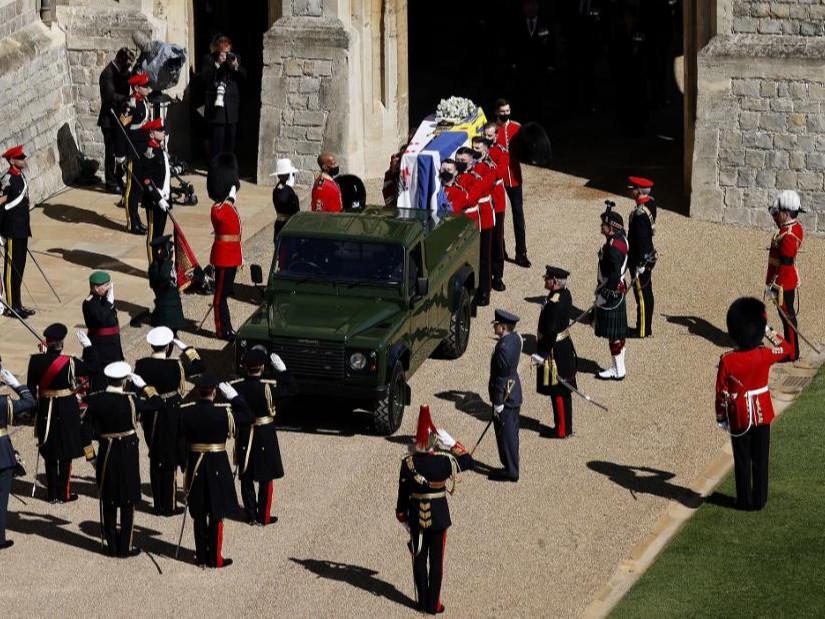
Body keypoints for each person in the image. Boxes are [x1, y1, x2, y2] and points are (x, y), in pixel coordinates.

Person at [715, 297, 794, 510]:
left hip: (739, 414)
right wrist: (766, 328)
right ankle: (759, 499)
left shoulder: (727, 360)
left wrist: (721, 418)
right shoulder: (764, 355)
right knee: (760, 459)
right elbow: (786, 347)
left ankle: (743, 499)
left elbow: (720, 393)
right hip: (762, 412)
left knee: (741, 460)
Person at [395, 404, 474, 614]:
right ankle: (433, 605)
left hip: (415, 519)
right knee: (436, 563)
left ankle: (421, 602)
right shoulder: (444, 462)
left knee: (419, 561)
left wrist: (403, 518)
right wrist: (452, 443)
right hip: (438, 518)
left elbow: (402, 496)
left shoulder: (408, 463)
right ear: (434, 442)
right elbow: (468, 461)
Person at [82, 362, 164, 557]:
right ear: (126, 380)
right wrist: (145, 386)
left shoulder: (96, 400)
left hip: (107, 451)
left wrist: (91, 456)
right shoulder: (132, 400)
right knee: (127, 500)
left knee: (108, 499)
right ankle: (125, 547)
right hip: (127, 453)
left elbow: (84, 431)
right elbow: (158, 404)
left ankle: (111, 546)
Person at [179, 374, 253, 568]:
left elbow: (179, 439)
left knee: (199, 513)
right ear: (214, 392)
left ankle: (201, 557)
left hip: (195, 467)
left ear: (197, 391)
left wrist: (183, 463)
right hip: (217, 466)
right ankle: (215, 558)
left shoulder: (187, 413)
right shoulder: (224, 414)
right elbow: (249, 416)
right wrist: (235, 398)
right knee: (216, 512)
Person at [134, 327, 204, 515]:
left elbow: (136, 390)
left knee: (155, 455)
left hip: (151, 415)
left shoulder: (141, 365)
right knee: (170, 457)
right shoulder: (176, 365)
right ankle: (169, 504)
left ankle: (158, 504)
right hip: (171, 413)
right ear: (167, 347)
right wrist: (186, 348)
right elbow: (199, 366)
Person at [230, 349, 297, 525]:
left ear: (246, 367)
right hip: (265, 433)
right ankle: (263, 516)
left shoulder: (237, 387)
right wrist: (283, 371)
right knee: (266, 477)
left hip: (245, 432)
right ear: (262, 367)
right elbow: (292, 389)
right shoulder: (267, 388)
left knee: (246, 475)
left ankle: (250, 514)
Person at [26, 324, 90, 503]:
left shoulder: (36, 361)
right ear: (61, 344)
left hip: (46, 407)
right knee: (66, 453)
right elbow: (92, 368)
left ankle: (52, 493)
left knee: (50, 450)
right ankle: (64, 493)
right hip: (67, 408)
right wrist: (89, 347)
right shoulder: (70, 362)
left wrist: (39, 401)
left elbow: (31, 386)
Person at [536, 266, 577, 438]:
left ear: (554, 282)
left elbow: (551, 332)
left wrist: (542, 353)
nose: (545, 280)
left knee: (558, 391)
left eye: (548, 279)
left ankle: (561, 430)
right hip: (564, 345)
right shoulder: (564, 294)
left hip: (555, 350)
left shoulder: (554, 303)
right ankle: (565, 426)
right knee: (563, 390)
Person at [765, 190, 804, 362]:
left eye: (779, 213)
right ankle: (791, 349)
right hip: (785, 283)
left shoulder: (787, 236)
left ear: (786, 214)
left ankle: (791, 353)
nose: (777, 215)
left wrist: (773, 286)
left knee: (787, 319)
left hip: (783, 285)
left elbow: (786, 267)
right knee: (788, 318)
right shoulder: (792, 228)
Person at [0, 363, 36, 549]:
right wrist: (16, 385)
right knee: (1, 498)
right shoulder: (3, 402)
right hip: (2, 454)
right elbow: (30, 401)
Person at [208, 153, 243, 341]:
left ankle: (227, 326)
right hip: (223, 257)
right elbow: (220, 216)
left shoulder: (227, 206)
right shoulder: (218, 207)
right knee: (219, 296)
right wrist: (229, 199)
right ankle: (222, 329)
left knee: (225, 294)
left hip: (231, 256)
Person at [455, 146, 495, 306]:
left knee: (483, 257)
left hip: (475, 219)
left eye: (462, 161)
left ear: (471, 161)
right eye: (457, 160)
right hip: (459, 221)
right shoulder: (455, 176)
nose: (459, 164)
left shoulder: (476, 176)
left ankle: (484, 290)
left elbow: (470, 198)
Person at [493, 99, 530, 268]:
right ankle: (500, 250)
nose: (506, 114)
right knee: (499, 217)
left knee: (518, 215)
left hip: (514, 176)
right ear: (496, 112)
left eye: (508, 110)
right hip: (498, 178)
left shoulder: (517, 127)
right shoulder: (492, 130)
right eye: (503, 111)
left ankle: (521, 252)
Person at [594, 206, 629, 380]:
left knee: (613, 336)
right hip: (617, 290)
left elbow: (614, 274)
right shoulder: (621, 238)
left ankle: (618, 370)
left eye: (604, 224)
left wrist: (605, 293)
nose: (601, 226)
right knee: (618, 334)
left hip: (612, 292)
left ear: (612, 227)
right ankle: (620, 366)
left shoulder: (614, 248)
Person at [114, 73, 152, 235]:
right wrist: (121, 154)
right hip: (133, 150)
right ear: (137, 88)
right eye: (145, 86)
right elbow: (121, 131)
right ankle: (132, 222)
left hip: (143, 148)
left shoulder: (143, 101)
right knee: (132, 188)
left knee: (139, 187)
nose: (148, 88)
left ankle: (137, 219)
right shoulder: (130, 105)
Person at [488, 309, 523, 481]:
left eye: (496, 325)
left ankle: (511, 471)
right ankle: (509, 466)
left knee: (507, 435)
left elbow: (501, 378)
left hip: (506, 397)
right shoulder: (514, 339)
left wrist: (497, 402)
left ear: (503, 327)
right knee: (509, 433)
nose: (494, 327)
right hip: (513, 390)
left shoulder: (503, 348)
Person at [1, 145, 35, 317]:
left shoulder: (20, 176)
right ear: (12, 161)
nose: (24, 160)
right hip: (12, 230)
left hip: (22, 229)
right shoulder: (7, 179)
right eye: (20, 158)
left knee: (19, 268)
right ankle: (12, 306)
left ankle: (18, 304)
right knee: (11, 268)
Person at [98, 47, 135, 193]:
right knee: (111, 151)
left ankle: (120, 179)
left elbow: (129, 79)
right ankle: (111, 183)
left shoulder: (121, 71)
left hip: (121, 117)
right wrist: (127, 99)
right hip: (109, 118)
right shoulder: (107, 74)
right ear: (121, 61)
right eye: (128, 63)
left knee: (121, 149)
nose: (129, 67)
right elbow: (110, 96)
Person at [201, 36, 246, 156]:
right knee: (217, 145)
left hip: (231, 110)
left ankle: (228, 171)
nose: (227, 55)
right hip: (217, 111)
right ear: (218, 51)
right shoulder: (209, 59)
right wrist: (217, 64)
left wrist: (236, 66)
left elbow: (244, 77)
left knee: (230, 146)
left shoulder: (235, 58)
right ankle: (216, 170)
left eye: (228, 51)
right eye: (224, 52)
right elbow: (205, 78)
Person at [81, 271, 124, 392]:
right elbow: (100, 318)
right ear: (95, 287)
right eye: (105, 285)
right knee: (101, 383)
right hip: (101, 351)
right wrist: (109, 303)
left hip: (113, 348)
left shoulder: (104, 300)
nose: (108, 288)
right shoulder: (89, 303)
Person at [627, 176, 657, 338]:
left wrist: (640, 263)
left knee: (642, 296)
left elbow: (641, 240)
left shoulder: (639, 214)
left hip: (640, 258)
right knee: (647, 292)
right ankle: (646, 327)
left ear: (638, 191)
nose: (630, 190)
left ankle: (643, 330)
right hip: (648, 255)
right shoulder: (650, 203)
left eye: (632, 188)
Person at [140, 118, 172, 265]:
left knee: (160, 234)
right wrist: (158, 199)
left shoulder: (160, 149)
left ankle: (158, 262)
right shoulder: (149, 153)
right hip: (154, 201)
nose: (163, 132)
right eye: (160, 130)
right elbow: (146, 180)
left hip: (164, 198)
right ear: (152, 134)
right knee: (154, 235)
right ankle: (152, 265)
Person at [484, 123, 509, 292]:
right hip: (484, 200)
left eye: (490, 136)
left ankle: (497, 276)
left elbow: (500, 172)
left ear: (496, 135)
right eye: (485, 135)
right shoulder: (480, 150)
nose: (487, 139)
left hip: (496, 199)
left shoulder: (501, 152)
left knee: (497, 240)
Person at [148, 235, 185, 334]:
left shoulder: (168, 263)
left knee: (173, 334)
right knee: (166, 338)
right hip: (165, 311)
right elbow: (163, 278)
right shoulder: (155, 267)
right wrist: (167, 259)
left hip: (174, 308)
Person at [270, 158, 300, 240]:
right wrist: (288, 187)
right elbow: (283, 199)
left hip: (290, 222)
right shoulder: (281, 189)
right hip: (283, 223)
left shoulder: (285, 188)